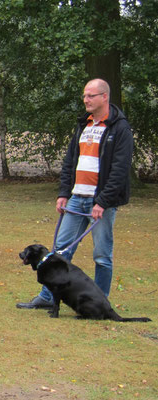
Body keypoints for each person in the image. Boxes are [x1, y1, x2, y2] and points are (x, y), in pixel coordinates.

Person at [17, 78, 133, 310]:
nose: (86, 100)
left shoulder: (120, 128)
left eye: (91, 96)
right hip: (76, 198)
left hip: (99, 202)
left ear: (104, 97)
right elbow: (71, 161)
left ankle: (100, 302)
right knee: (60, 251)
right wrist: (64, 193)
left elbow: (120, 170)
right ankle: (48, 297)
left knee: (102, 255)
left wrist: (103, 201)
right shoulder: (84, 125)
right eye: (84, 96)